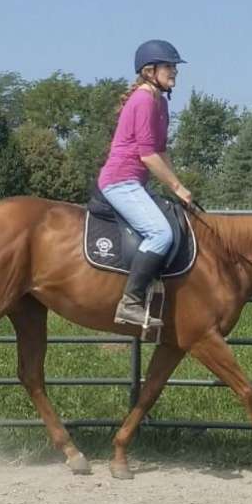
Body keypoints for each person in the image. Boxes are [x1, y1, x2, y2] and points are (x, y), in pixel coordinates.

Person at [97, 39, 193, 328]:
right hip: (120, 181)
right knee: (160, 234)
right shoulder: (142, 99)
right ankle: (130, 303)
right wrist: (176, 188)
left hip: (136, 183)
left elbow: (161, 151)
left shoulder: (159, 101)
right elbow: (147, 155)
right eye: (169, 66)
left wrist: (179, 184)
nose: (174, 71)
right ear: (150, 71)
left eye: (174, 66)